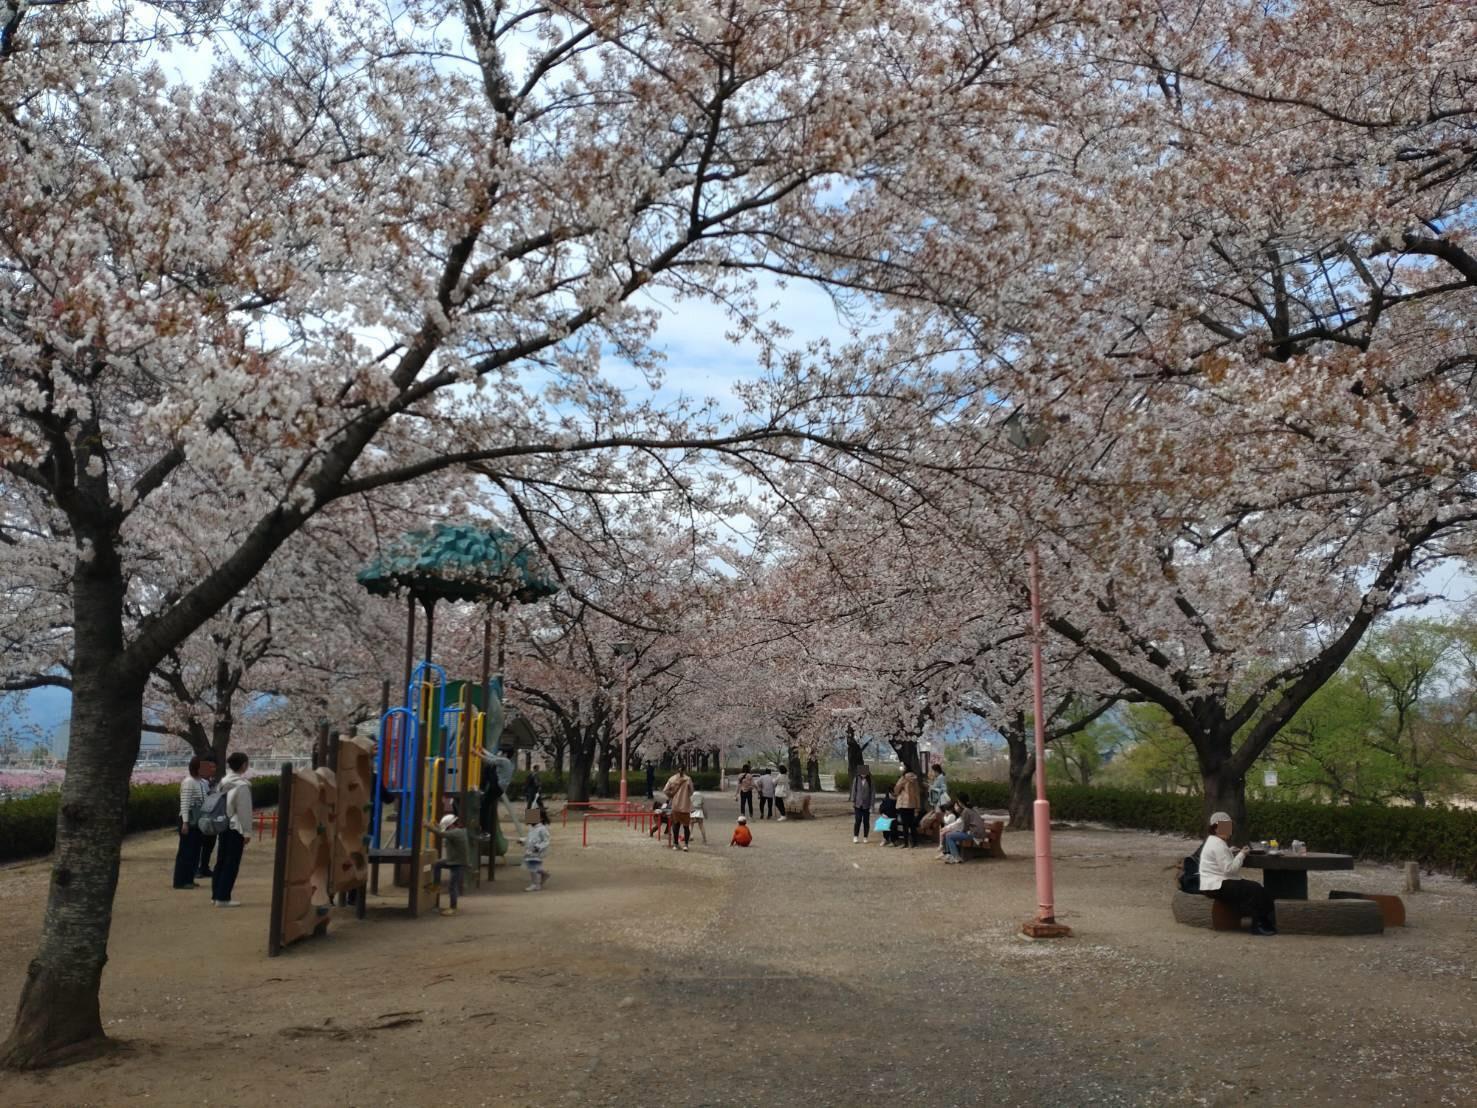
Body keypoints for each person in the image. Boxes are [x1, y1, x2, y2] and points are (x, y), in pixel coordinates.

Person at [1199, 812, 1277, 935]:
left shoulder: (1213, 841)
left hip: (1212, 884)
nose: (1229, 832)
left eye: (1229, 827)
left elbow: (1219, 859)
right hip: (1217, 885)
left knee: (1252, 888)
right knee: (1255, 889)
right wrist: (1242, 854)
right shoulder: (1218, 844)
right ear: (1216, 828)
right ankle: (1258, 925)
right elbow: (1230, 869)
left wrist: (1229, 851)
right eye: (1225, 828)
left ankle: (1263, 922)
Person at [211, 751, 253, 907]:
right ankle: (223, 897)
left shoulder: (223, 782)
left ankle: (216, 895)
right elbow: (244, 811)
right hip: (235, 827)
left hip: (222, 823)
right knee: (231, 863)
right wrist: (247, 832)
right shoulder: (242, 785)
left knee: (221, 861)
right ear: (244, 765)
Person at [424, 812, 471, 916]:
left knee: (452, 886)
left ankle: (453, 908)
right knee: (437, 864)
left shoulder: (457, 833)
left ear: (451, 825)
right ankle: (436, 885)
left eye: (446, 827)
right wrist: (437, 826)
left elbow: (442, 834)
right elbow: (443, 832)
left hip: (458, 863)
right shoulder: (457, 831)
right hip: (452, 860)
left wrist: (429, 827)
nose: (446, 829)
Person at [173, 756, 209, 889]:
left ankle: (189, 878)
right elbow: (185, 802)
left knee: (195, 851)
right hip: (189, 819)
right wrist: (185, 822)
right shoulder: (189, 782)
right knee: (186, 852)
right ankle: (180, 881)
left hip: (199, 820)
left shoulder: (202, 782)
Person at [478, 745, 525, 838]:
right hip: (499, 788)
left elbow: (490, 760)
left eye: (500, 752)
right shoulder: (506, 761)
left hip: (497, 786)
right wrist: (482, 750)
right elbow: (492, 756)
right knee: (485, 805)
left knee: (484, 806)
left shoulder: (504, 761)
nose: (498, 753)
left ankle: (485, 830)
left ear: (505, 754)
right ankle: (485, 830)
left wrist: (476, 753)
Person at [942, 794, 989, 864]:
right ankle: (951, 855)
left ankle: (956, 857)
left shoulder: (966, 811)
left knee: (949, 835)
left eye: (958, 801)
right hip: (979, 834)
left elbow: (965, 826)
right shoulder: (973, 809)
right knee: (950, 834)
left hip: (975, 835)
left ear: (960, 802)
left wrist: (958, 831)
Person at [195, 757, 218, 878]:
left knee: (209, 844)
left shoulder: (214, 782)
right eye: (209, 767)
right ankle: (197, 868)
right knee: (200, 844)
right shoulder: (199, 782)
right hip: (201, 818)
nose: (212, 769)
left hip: (212, 818)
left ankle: (205, 867)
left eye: (214, 767)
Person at [663, 765, 695, 852]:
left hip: (675, 806)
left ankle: (676, 844)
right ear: (685, 770)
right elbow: (692, 792)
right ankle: (686, 845)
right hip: (685, 806)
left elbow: (665, 790)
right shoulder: (688, 779)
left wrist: (671, 796)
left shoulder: (672, 779)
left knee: (675, 825)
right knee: (686, 826)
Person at [523, 804, 551, 891]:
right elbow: (529, 839)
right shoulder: (532, 828)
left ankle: (535, 884)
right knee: (533, 867)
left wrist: (538, 847)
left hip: (537, 851)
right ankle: (544, 874)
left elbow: (546, 841)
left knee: (533, 868)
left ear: (541, 818)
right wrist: (523, 841)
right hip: (530, 851)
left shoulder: (542, 829)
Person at [892, 768, 922, 848]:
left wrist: (901, 782)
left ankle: (906, 843)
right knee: (912, 824)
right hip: (912, 804)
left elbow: (896, 791)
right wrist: (918, 806)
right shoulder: (915, 780)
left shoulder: (903, 779)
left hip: (903, 804)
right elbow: (917, 794)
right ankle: (915, 843)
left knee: (905, 825)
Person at [850, 765, 874, 843]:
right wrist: (853, 800)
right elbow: (854, 790)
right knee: (858, 820)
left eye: (865, 772)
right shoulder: (856, 779)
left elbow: (872, 793)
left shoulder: (870, 780)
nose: (863, 774)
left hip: (867, 804)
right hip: (858, 803)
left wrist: (872, 804)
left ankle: (865, 837)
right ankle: (855, 836)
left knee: (866, 821)